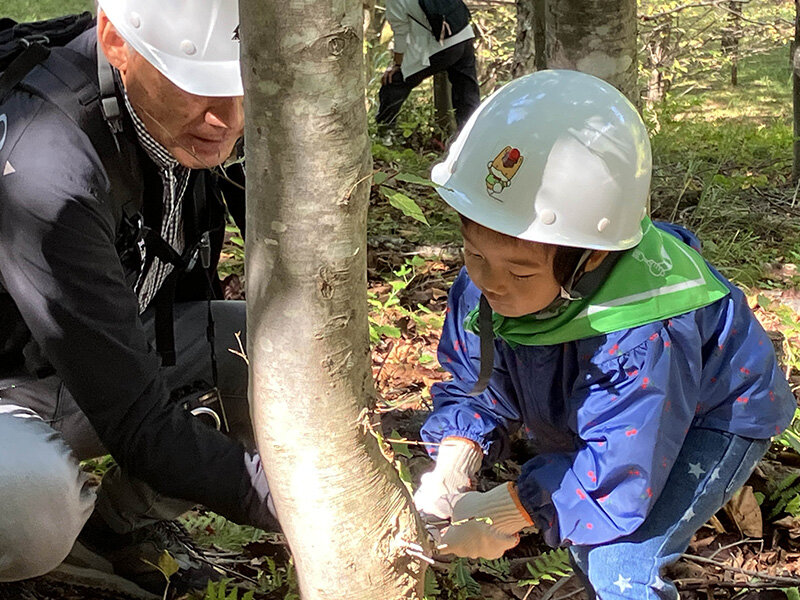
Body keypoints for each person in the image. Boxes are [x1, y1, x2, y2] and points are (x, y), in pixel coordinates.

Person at [412, 70, 796, 598]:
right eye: (474, 254)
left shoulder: (645, 328)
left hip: (714, 414)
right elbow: (478, 383)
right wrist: (457, 460)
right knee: (587, 527)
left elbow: (618, 474)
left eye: (520, 272)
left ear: (590, 257)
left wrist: (511, 509)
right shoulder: (484, 286)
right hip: (614, 415)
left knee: (621, 561)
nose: (490, 282)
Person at [0, 1, 275, 594]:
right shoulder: (50, 166)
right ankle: (41, 563)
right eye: (195, 86)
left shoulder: (185, 121)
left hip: (94, 356)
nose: (225, 118)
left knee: (282, 354)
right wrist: (287, 504)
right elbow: (136, 419)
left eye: (243, 83)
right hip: (12, 381)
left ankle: (117, 532)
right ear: (115, 42)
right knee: (26, 503)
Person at [376, 0, 480, 132]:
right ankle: (473, 136)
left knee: (394, 81)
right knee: (467, 93)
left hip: (442, 46)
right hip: (464, 35)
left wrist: (397, 64)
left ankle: (385, 134)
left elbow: (401, 33)